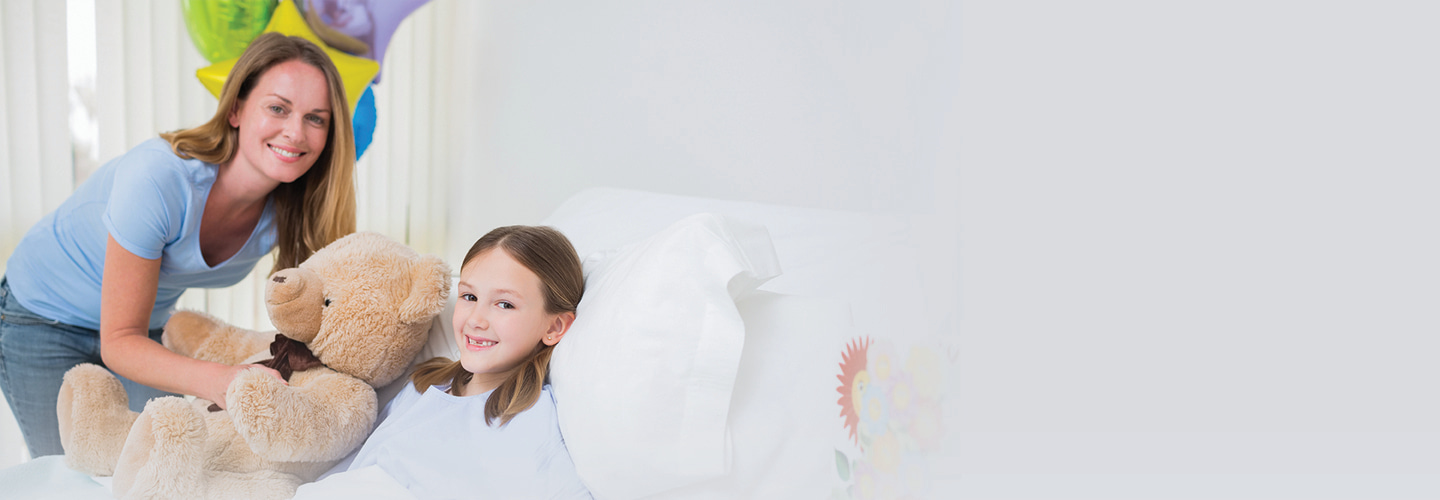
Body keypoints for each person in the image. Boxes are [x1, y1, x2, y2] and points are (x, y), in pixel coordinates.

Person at [0, 32, 357, 458]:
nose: (296, 132)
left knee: (143, 464)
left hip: (139, 328)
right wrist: (222, 379)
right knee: (71, 472)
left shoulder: (294, 208)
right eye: (278, 108)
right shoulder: (159, 177)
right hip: (42, 317)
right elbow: (120, 340)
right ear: (237, 108)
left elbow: (333, 315)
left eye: (316, 118)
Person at [297, 226, 591, 499]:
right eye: (469, 296)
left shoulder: (532, 420)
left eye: (505, 304)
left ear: (554, 328)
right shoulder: (424, 385)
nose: (476, 320)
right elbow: (360, 467)